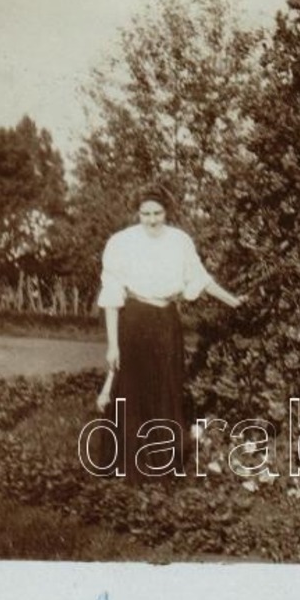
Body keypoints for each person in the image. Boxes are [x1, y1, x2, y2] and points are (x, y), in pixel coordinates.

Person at [96, 184, 242, 479]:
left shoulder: (180, 241)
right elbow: (111, 296)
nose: (151, 220)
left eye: (157, 213)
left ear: (167, 212)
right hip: (134, 320)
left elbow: (200, 279)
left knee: (166, 387)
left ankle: (160, 463)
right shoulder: (121, 242)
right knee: (133, 390)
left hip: (166, 322)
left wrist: (232, 300)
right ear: (137, 213)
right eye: (145, 213)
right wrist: (113, 345)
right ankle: (128, 464)